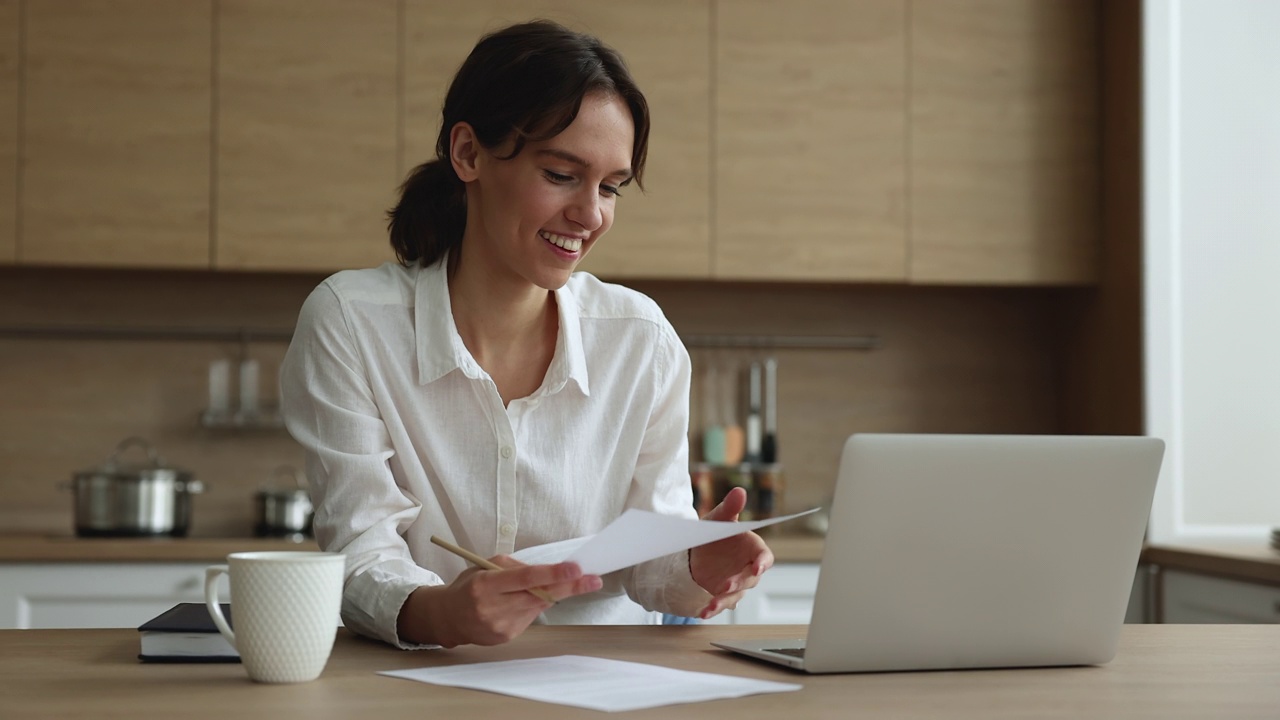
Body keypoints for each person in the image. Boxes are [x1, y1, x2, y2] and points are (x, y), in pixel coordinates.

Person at [279, 19, 772, 650]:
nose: (590, 215)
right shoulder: (351, 321)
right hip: (425, 681)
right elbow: (360, 548)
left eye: (612, 187)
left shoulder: (640, 339)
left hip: (603, 683)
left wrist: (698, 565)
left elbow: (652, 561)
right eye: (562, 175)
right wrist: (440, 612)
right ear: (468, 154)